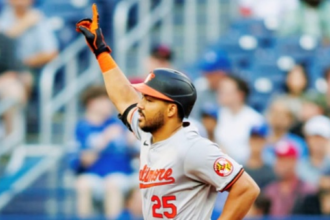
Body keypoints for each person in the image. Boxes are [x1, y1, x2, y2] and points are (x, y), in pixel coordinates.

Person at [76, 5, 260, 219]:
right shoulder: (148, 133)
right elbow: (125, 97)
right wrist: (101, 53)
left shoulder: (193, 147)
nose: (141, 105)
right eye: (143, 97)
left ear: (171, 109)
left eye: (150, 100)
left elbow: (247, 188)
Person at [69, 85, 138, 219]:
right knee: (82, 184)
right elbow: (83, 161)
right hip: (93, 176)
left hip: (121, 175)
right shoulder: (82, 128)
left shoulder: (118, 124)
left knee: (114, 183)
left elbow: (135, 152)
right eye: (105, 100)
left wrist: (133, 141)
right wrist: (104, 139)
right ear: (92, 103)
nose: (109, 104)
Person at [215, 75, 264, 164]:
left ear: (240, 95)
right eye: (220, 91)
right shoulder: (219, 114)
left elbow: (257, 152)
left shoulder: (254, 119)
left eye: (226, 92)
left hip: (244, 168)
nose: (221, 94)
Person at [0, 0, 59, 69]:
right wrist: (21, 26)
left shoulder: (38, 18)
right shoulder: (3, 17)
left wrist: (20, 64)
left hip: (28, 69)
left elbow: (51, 54)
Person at [264, 141, 316, 216]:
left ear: (294, 161)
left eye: (285, 159)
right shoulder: (269, 191)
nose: (280, 164)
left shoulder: (307, 191)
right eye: (278, 159)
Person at [263, 99, 308, 165]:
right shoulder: (258, 140)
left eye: (283, 115)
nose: (278, 118)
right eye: (275, 113)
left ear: (290, 119)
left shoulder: (298, 144)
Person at [190, 49, 231, 119]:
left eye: (210, 73)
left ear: (222, 73)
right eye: (206, 72)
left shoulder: (233, 92)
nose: (206, 75)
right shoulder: (199, 88)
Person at [296, 116, 330, 186]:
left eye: (321, 138)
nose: (317, 142)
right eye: (314, 138)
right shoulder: (298, 166)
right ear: (307, 139)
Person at [245, 123, 276, 189]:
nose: (256, 143)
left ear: (265, 142)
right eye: (254, 139)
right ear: (249, 140)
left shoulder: (271, 170)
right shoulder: (240, 167)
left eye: (260, 140)